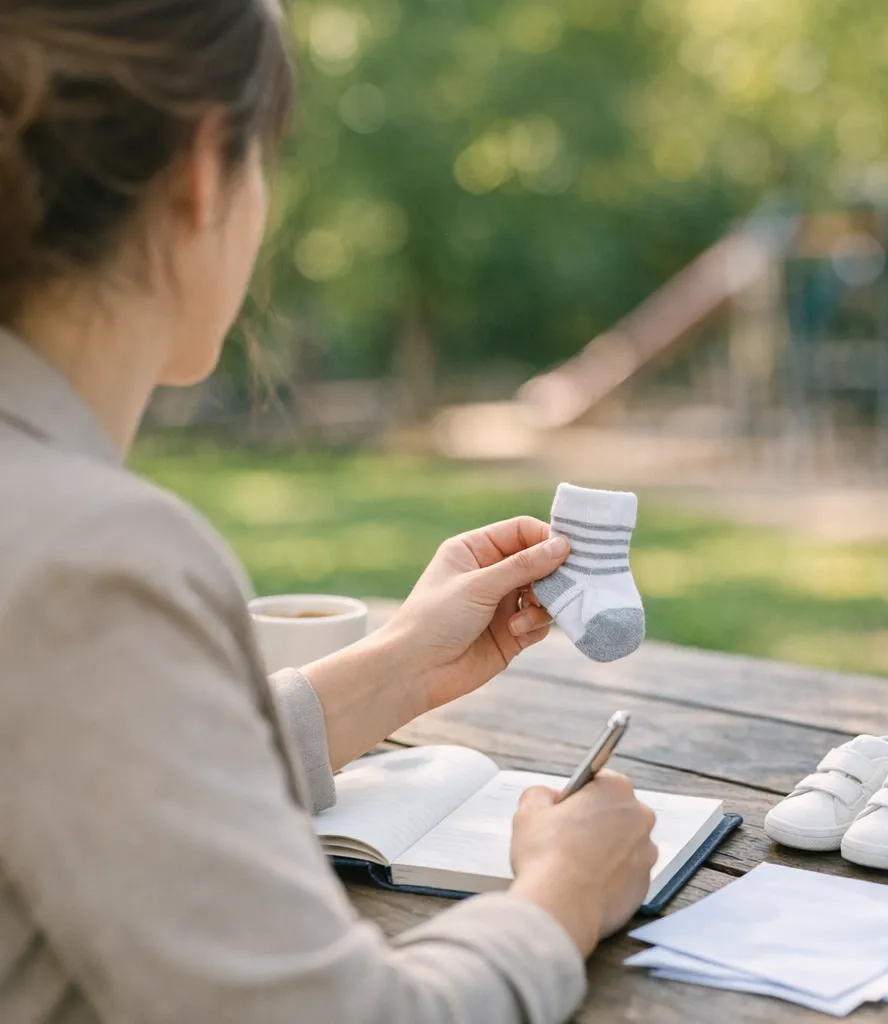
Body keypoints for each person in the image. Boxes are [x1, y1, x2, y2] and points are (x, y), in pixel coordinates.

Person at [0, 2, 659, 1022]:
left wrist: (395, 668)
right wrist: (564, 894)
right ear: (203, 168)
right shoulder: (92, 554)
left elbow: (85, 759)